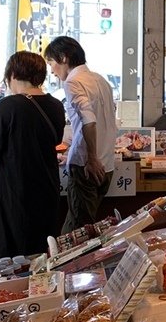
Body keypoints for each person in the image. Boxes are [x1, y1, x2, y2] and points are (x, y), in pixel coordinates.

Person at [0, 51, 65, 263]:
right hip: (47, 193)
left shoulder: (4, 108)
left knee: (7, 259)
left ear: (13, 74)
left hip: (12, 197)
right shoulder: (55, 106)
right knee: (41, 256)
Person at [44, 35, 116, 230]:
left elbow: (89, 120)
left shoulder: (73, 82)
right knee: (84, 224)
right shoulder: (100, 79)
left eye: (51, 63)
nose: (51, 70)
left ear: (63, 58)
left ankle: (68, 261)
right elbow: (106, 122)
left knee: (78, 229)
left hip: (88, 166)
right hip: (107, 164)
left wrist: (91, 157)